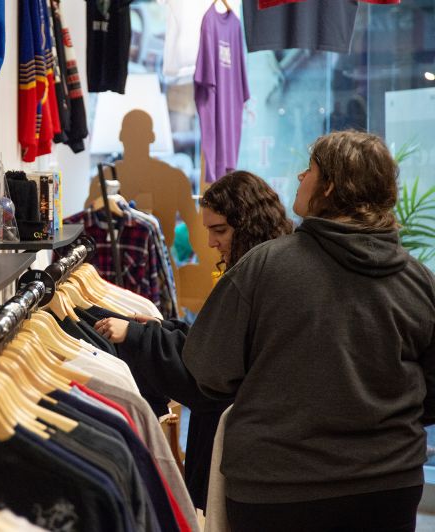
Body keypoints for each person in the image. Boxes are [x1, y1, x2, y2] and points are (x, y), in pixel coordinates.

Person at [183, 130, 435, 532]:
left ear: (330, 187)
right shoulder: (419, 280)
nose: (300, 177)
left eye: (310, 169)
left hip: (278, 488)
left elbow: (210, 370)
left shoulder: (263, 267)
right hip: (388, 486)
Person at [93, 170, 293, 512]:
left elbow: (211, 372)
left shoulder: (258, 280)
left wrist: (140, 337)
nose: (212, 242)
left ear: (250, 224)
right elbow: (217, 343)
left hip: (248, 456)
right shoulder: (266, 272)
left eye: (220, 231)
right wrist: (161, 330)